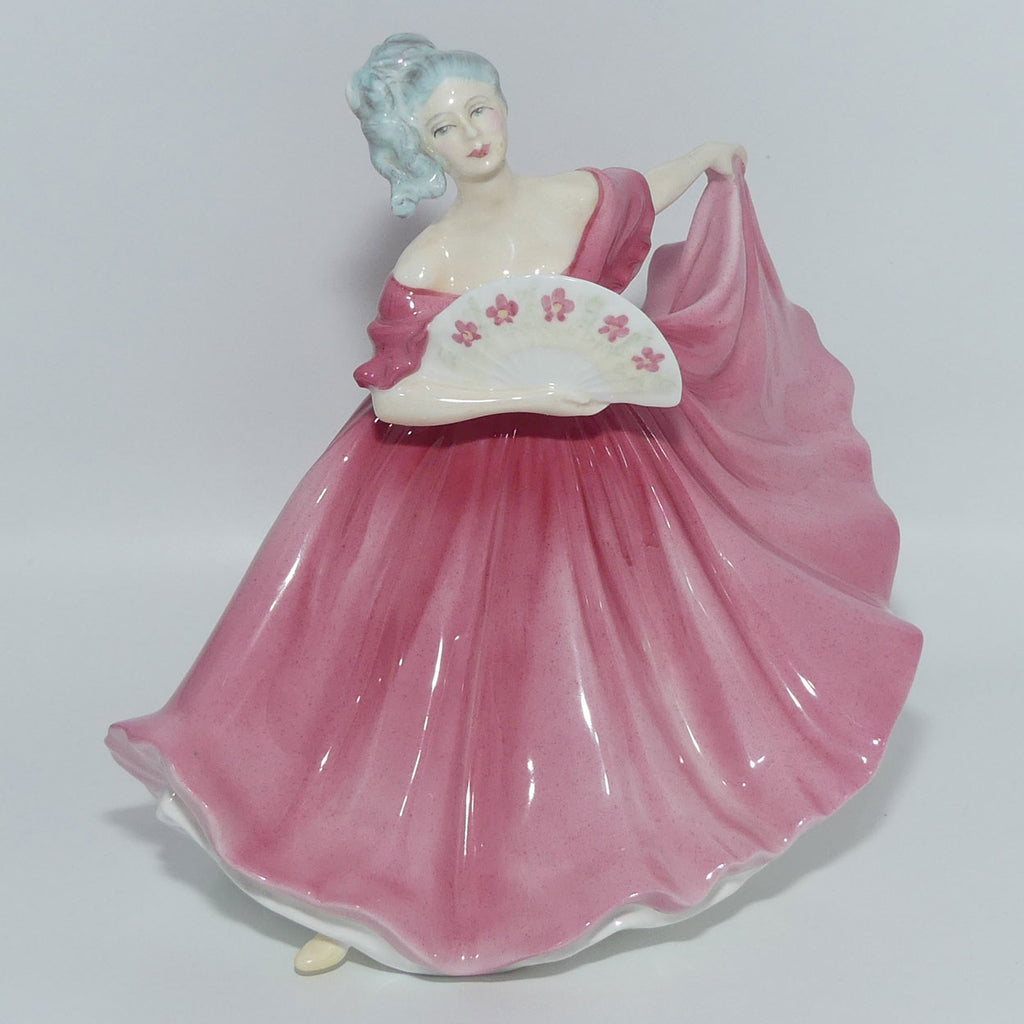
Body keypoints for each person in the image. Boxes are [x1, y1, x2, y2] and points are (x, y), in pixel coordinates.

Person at [107, 34, 921, 977]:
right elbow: (397, 397)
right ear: (421, 152)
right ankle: (354, 889)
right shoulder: (435, 254)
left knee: (636, 639)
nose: (471, 135)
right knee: (426, 670)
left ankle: (613, 828)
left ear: (503, 106)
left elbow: (639, 195)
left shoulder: (575, 197)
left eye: (477, 110)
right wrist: (526, 393)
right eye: (442, 129)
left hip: (604, 461)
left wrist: (702, 160)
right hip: (454, 479)